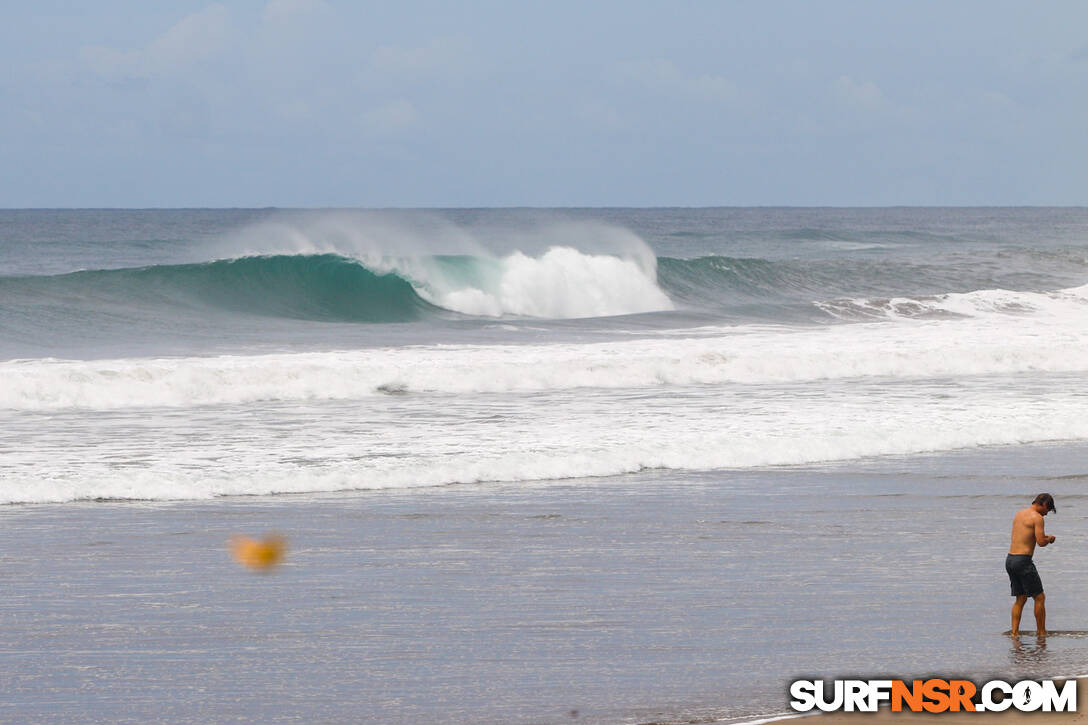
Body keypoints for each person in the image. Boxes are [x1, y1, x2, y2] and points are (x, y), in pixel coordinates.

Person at [1006, 493, 1057, 636]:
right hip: (1023, 561)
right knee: (1039, 597)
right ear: (1045, 504)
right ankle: (1041, 632)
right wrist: (1050, 539)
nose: (1046, 514)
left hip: (1010, 559)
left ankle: (1014, 633)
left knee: (1020, 598)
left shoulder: (1020, 514)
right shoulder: (1037, 517)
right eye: (1048, 510)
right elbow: (1041, 542)